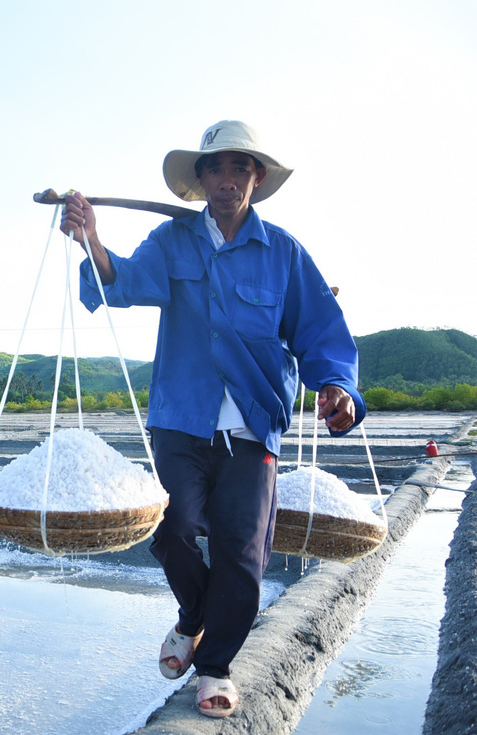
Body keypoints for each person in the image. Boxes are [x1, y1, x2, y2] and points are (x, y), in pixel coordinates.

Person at [61, 120, 365, 719]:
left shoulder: (282, 253)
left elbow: (321, 332)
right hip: (182, 418)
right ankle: (194, 616)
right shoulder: (173, 241)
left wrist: (337, 388)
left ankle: (215, 665)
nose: (227, 180)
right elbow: (120, 283)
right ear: (199, 180)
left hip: (253, 429)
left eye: (239, 169)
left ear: (255, 178)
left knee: (244, 557)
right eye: (216, 169)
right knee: (172, 530)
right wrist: (91, 240)